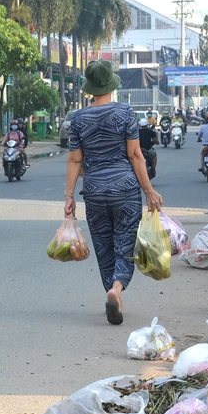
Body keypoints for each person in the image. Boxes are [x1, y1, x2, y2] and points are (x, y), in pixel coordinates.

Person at [63, 59, 163, 325]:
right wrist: (149, 190)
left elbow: (75, 160)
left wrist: (69, 196)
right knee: (125, 245)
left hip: (94, 191)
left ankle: (110, 289)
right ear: (111, 85)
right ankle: (116, 289)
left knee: (104, 246)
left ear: (90, 87)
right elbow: (135, 155)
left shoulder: (79, 118)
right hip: (125, 190)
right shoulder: (125, 112)